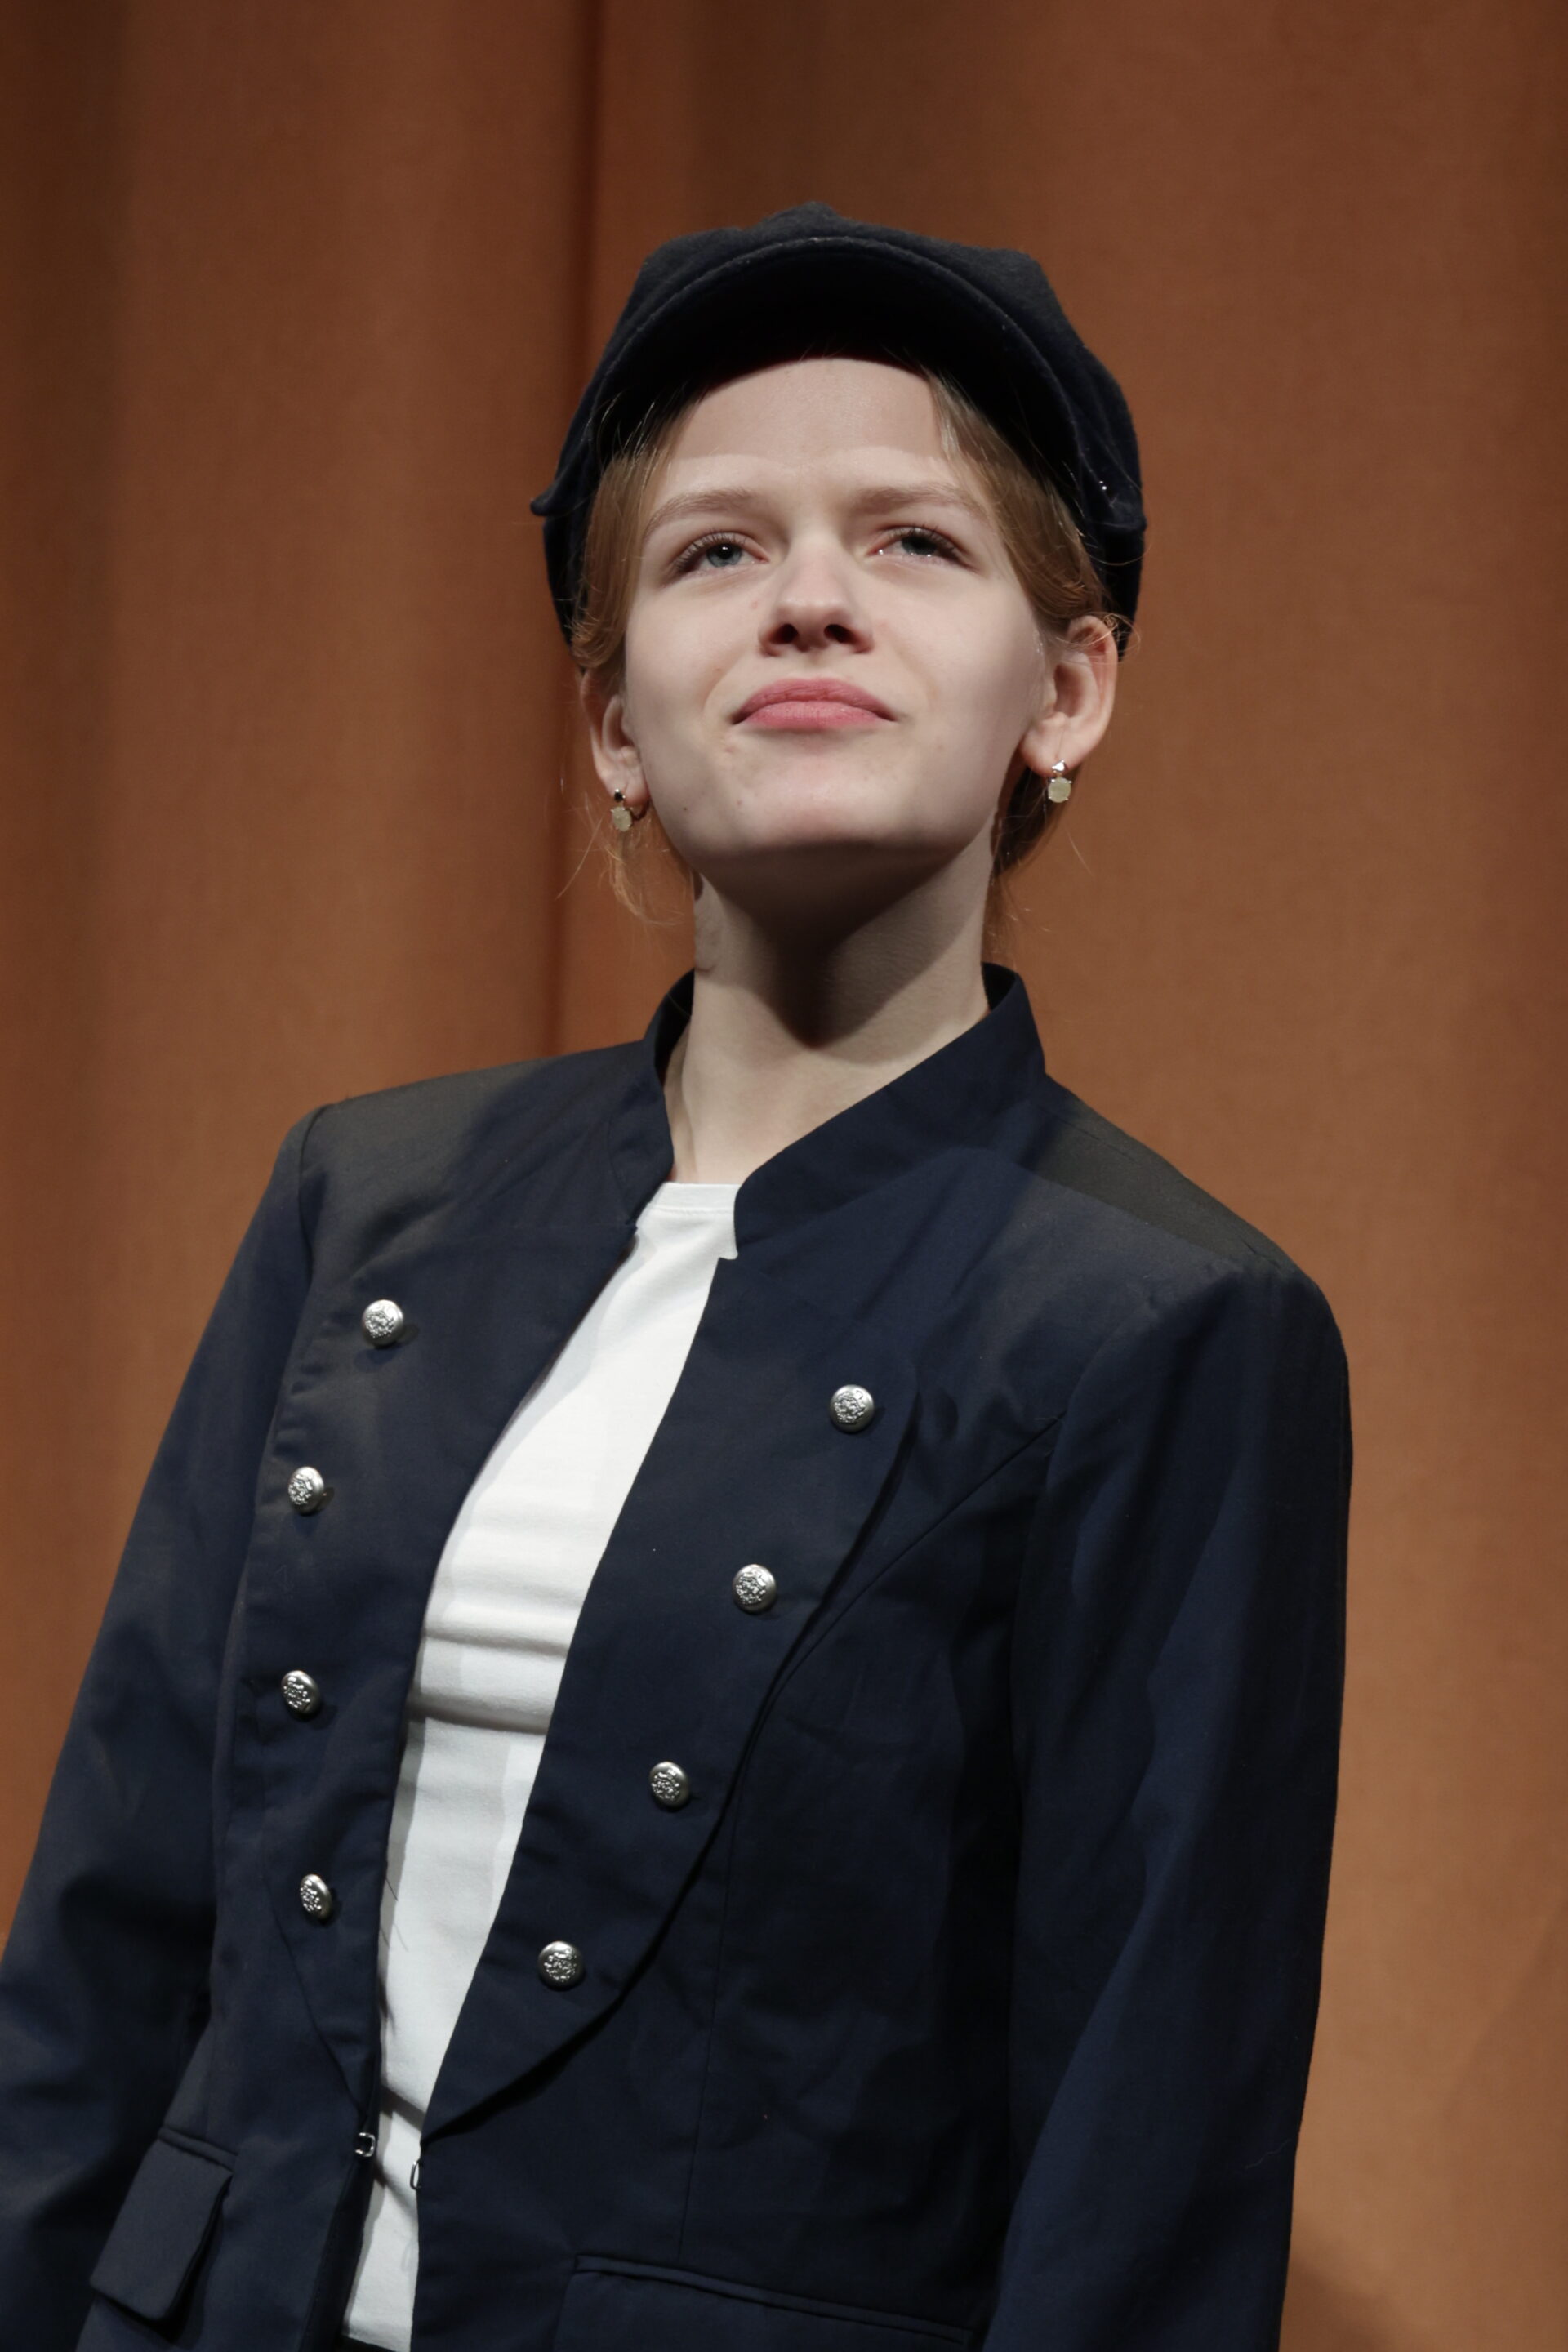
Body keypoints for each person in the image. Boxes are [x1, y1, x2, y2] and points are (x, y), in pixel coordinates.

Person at [0, 203, 1350, 2352]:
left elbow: (1149, 2145)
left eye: (915, 542)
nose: (810, 596)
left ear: (1066, 689)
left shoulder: (1164, 1327)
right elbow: (112, 1929)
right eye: (716, 550)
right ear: (615, 717)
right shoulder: (366, 1198)